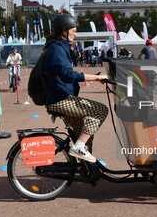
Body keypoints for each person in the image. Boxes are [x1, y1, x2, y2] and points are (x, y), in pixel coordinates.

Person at [43, 13, 109, 163]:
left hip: (62, 96)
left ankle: (86, 169)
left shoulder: (60, 47)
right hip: (60, 98)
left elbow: (64, 73)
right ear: (64, 31)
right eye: (73, 30)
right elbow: (67, 74)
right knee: (100, 110)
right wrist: (97, 78)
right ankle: (78, 146)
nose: (75, 33)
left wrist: (93, 76)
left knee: (85, 134)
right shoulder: (57, 48)